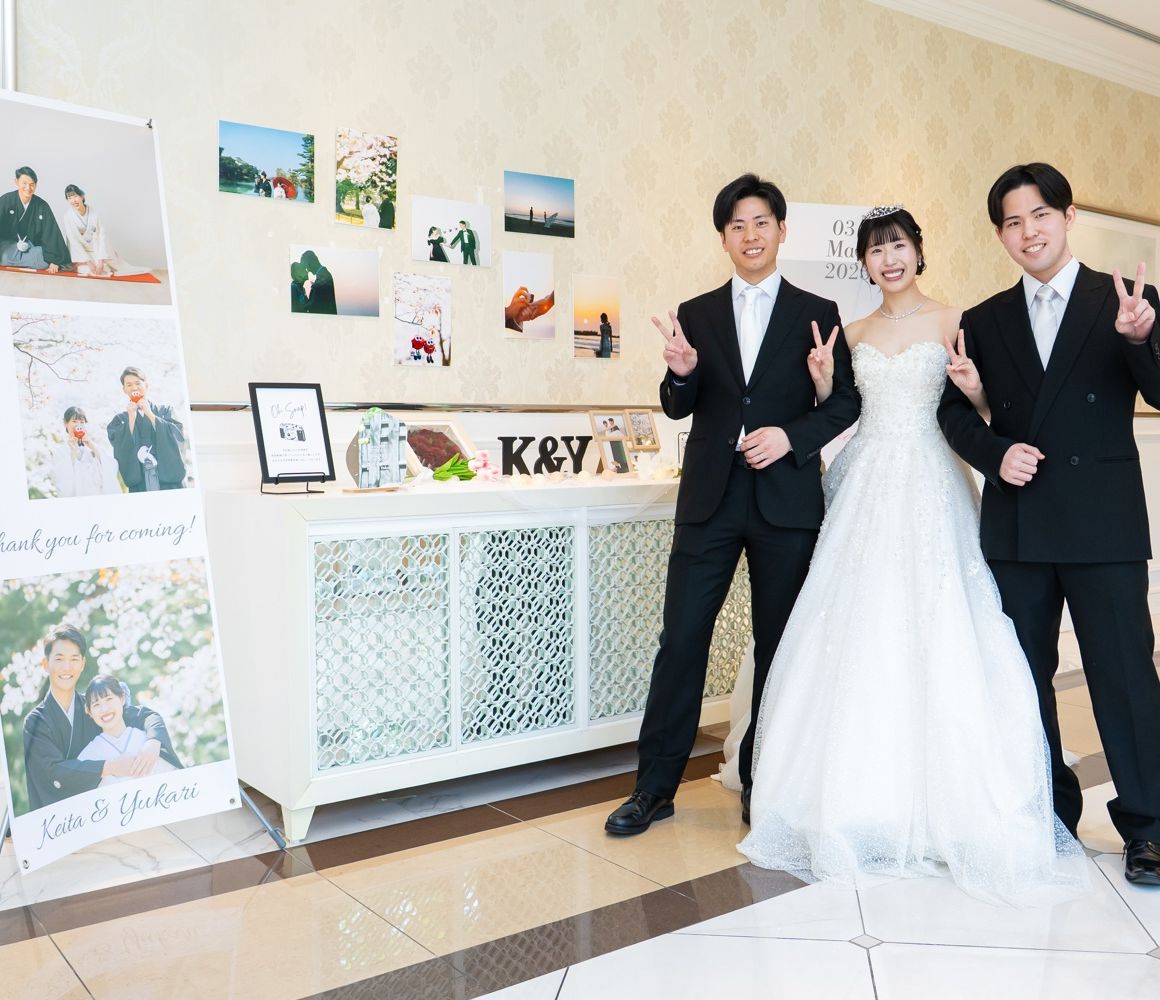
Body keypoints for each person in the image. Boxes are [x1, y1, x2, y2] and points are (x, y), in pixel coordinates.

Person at [737, 205, 1086, 904]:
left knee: (941, 619)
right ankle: (853, 796)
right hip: (864, 483)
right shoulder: (853, 333)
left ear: (918, 251)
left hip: (933, 481)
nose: (889, 259)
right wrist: (826, 382)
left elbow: (980, 410)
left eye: (898, 246)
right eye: (876, 250)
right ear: (864, 263)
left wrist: (975, 389)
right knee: (858, 628)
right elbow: (843, 410)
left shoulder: (959, 321)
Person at [604, 173, 860, 835]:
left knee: (780, 645)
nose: (750, 235)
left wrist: (790, 437)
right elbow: (677, 404)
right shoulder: (696, 313)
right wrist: (682, 373)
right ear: (723, 238)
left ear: (782, 230)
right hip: (710, 501)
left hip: (786, 500)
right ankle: (653, 788)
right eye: (737, 225)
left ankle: (763, 782)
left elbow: (843, 404)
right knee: (682, 640)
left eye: (761, 223)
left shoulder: (818, 311)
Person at [938, 162, 1160, 887]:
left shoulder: (1124, 302)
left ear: (1067, 218)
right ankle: (1048, 813)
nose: (1027, 232)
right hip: (1020, 526)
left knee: (1124, 676)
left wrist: (1140, 340)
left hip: (1103, 525)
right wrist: (994, 453)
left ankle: (1149, 827)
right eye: (1012, 222)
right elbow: (951, 413)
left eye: (1039, 215)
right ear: (1000, 235)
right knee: (1023, 678)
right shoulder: (983, 320)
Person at [22, 626, 179, 813]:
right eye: (59, 659)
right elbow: (52, 771)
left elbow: (145, 716)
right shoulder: (36, 721)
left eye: (74, 659)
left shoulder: (93, 708)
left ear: (82, 663)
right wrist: (108, 767)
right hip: (65, 815)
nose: (67, 667)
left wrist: (153, 742)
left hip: (106, 809)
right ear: (45, 664)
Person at [77, 674, 182, 784]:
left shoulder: (147, 740)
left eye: (109, 699)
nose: (104, 709)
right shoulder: (88, 755)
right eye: (96, 704)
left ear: (122, 698)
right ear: (89, 711)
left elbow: (174, 779)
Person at [106, 367, 187, 492]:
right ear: (124, 390)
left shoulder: (166, 411)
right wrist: (131, 418)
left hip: (168, 481)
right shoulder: (120, 420)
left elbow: (177, 437)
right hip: (140, 483)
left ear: (146, 385)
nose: (134, 388)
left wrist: (150, 414)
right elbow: (120, 447)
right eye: (129, 385)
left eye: (138, 383)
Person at [60, 184, 149, 277]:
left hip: (96, 249)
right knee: (86, 269)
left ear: (82, 196)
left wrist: (100, 261)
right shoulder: (67, 217)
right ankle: (89, 265)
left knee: (104, 268)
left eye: (75, 196)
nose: (73, 200)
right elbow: (73, 241)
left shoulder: (95, 214)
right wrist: (88, 262)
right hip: (81, 254)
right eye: (69, 198)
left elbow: (101, 237)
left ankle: (103, 264)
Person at [0, 166, 70, 272]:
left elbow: (50, 233)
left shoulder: (42, 205)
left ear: (36, 185)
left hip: (31, 246)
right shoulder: (6, 200)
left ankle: (17, 260)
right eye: (24, 183)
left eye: (32, 184)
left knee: (43, 259)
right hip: (7, 246)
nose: (28, 188)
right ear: (16, 182)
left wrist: (54, 260)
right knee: (4, 255)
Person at [51, 405, 122, 497]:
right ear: (65, 423)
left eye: (82, 422)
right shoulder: (61, 451)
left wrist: (93, 448)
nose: (78, 425)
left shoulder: (92, 447)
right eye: (74, 421)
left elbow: (111, 468)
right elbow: (61, 478)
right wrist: (73, 453)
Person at [299, 250, 336, 314]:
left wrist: (300, 307)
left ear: (311, 262)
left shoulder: (324, 276)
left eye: (306, 267)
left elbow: (314, 303)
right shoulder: (323, 275)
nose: (308, 270)